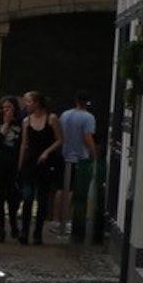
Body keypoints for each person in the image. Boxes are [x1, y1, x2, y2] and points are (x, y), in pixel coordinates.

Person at [17, 90, 61, 245]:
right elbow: (24, 144)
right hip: (30, 162)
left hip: (45, 162)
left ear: (36, 103)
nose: (25, 105)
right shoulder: (26, 121)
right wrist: (20, 165)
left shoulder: (51, 119)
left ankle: (37, 233)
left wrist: (47, 152)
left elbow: (59, 140)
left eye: (28, 102)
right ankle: (24, 231)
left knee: (42, 199)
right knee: (27, 197)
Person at [58, 91, 99, 242]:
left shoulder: (65, 114)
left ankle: (57, 219)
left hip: (64, 154)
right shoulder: (88, 117)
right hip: (79, 157)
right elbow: (87, 137)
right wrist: (94, 153)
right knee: (74, 190)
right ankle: (67, 220)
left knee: (61, 188)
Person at [0, 96, 26, 243]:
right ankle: (0, 231)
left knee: (13, 198)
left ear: (15, 108)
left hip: (14, 164)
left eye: (9, 107)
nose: (6, 110)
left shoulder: (21, 124)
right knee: (0, 198)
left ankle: (14, 226)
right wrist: (5, 124)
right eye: (4, 108)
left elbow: (23, 144)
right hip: (0, 164)